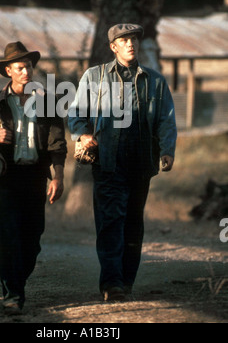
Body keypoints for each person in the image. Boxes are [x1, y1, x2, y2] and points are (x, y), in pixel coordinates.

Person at [68, 23, 177, 301]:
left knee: (132, 224)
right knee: (110, 221)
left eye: (134, 40)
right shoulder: (95, 76)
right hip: (108, 162)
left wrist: (167, 149)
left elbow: (166, 119)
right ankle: (112, 283)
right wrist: (83, 134)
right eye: (124, 40)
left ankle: (126, 281)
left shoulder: (155, 81)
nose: (130, 44)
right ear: (113, 47)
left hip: (141, 164)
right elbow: (76, 114)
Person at [0, 41, 67, 313]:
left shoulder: (47, 102)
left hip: (35, 177)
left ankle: (16, 282)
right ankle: (12, 296)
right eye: (20, 67)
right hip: (5, 178)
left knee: (32, 239)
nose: (26, 72)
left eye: (29, 66)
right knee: (10, 236)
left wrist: (58, 178)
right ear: (8, 71)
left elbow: (57, 144)